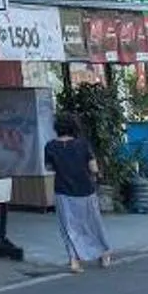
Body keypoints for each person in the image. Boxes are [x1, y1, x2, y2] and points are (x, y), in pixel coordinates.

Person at [41, 114, 114, 271]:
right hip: (86, 190)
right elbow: (93, 168)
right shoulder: (83, 144)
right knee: (93, 223)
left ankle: (74, 260)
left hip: (63, 190)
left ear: (57, 128)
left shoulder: (50, 146)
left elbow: (49, 167)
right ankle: (104, 253)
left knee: (68, 226)